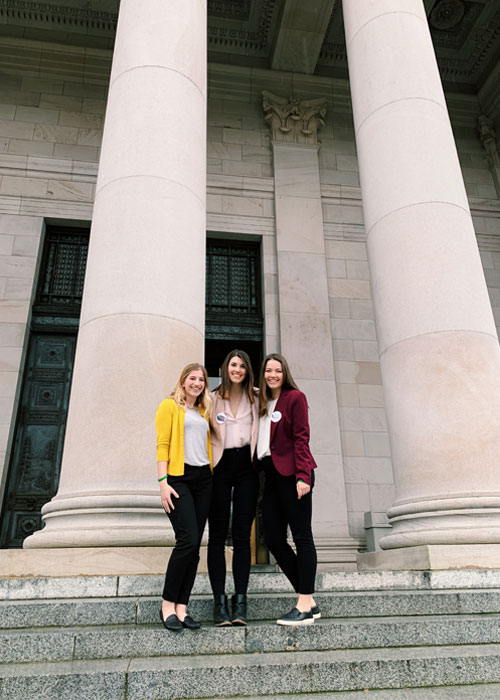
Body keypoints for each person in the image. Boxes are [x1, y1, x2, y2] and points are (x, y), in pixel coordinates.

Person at [256, 353, 320, 626]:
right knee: (273, 539)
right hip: (269, 476)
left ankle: (304, 603)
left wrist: (303, 476)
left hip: (294, 473)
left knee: (302, 536)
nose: (272, 375)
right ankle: (309, 599)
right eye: (268, 371)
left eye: (277, 371)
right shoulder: (261, 402)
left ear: (285, 374)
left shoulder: (295, 397)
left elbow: (301, 438)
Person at [155, 363, 213, 631]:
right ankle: (168, 604)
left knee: (194, 546)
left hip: (204, 480)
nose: (197, 383)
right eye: (192, 378)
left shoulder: (203, 411)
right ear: (183, 381)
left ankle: (182, 607)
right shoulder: (169, 406)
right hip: (179, 479)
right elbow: (162, 444)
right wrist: (163, 482)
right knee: (186, 540)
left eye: (201, 379)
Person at [208, 349, 259, 626]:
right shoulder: (212, 398)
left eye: (241, 365)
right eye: (233, 364)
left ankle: (240, 601)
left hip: (247, 468)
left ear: (247, 369)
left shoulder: (257, 397)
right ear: (225, 367)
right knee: (216, 535)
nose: (237, 369)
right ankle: (219, 603)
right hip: (219, 467)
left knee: (241, 536)